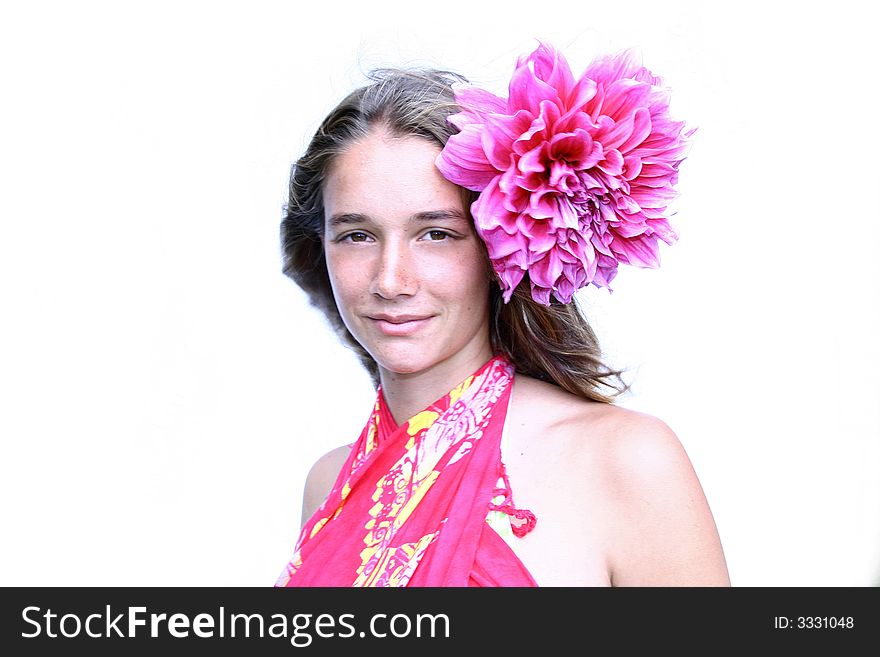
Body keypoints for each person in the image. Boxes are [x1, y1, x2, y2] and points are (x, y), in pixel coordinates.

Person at [275, 43, 730, 587]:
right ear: (319, 247)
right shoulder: (329, 485)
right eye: (356, 235)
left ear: (499, 245)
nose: (390, 280)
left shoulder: (624, 461)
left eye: (437, 234)